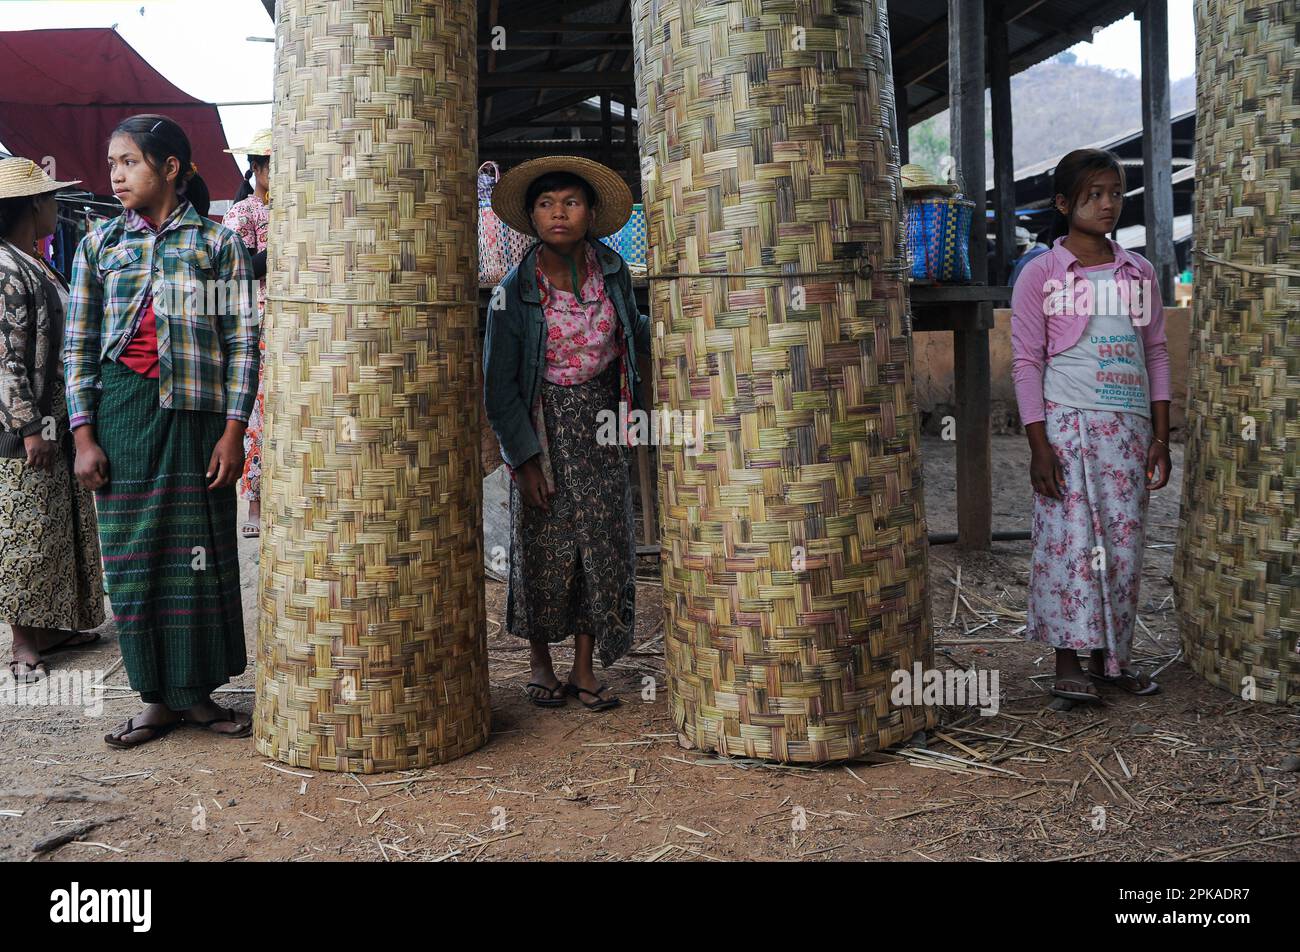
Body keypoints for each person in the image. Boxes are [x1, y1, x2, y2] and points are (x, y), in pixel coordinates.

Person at [64, 114, 260, 746]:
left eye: (129, 162)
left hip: (197, 415)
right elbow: (79, 346)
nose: (115, 175)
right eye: (113, 162)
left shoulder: (217, 245)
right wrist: (83, 435)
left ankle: (196, 695)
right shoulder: (99, 245)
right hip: (121, 411)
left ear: (170, 167)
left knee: (200, 555)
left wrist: (234, 432)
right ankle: (154, 696)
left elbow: (243, 344)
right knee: (131, 555)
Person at [484, 156, 650, 711]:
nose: (559, 213)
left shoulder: (615, 273)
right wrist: (524, 458)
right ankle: (540, 663)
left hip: (602, 425)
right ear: (531, 217)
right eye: (546, 204)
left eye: (571, 202)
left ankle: (584, 668)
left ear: (592, 212)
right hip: (542, 428)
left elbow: (635, 337)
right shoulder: (514, 291)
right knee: (543, 545)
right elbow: (499, 383)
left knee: (600, 545)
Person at [1010, 147, 1171, 702]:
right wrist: (1038, 445)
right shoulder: (1042, 273)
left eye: (1115, 195)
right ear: (1064, 203)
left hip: (1126, 430)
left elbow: (1155, 354)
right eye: (1094, 196)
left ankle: (1110, 659)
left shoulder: (1138, 273)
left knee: (1123, 545)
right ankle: (1067, 662)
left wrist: (1159, 435)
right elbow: (1027, 361)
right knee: (1069, 541)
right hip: (1067, 424)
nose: (1108, 206)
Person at [0, 158, 106, 682]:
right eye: (49, 199)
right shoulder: (5, 267)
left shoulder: (34, 260)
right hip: (24, 429)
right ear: (29, 207)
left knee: (56, 525)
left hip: (55, 419)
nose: (56, 206)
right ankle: (23, 643)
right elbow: (4, 356)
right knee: (25, 531)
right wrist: (26, 427)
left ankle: (55, 627)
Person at [221, 129, 271, 538]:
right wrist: (281, 249)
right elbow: (235, 272)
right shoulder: (244, 212)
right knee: (256, 411)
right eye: (273, 164)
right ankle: (253, 500)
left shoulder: (294, 209)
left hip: (291, 325)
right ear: (256, 167)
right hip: (256, 326)